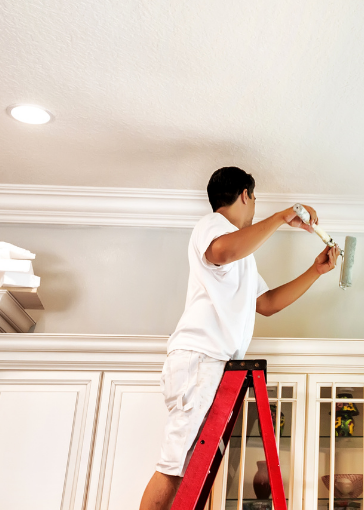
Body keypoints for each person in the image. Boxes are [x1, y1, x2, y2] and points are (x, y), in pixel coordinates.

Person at [140, 166, 339, 510]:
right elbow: (223, 252)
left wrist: (316, 271)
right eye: (255, 199)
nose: (255, 206)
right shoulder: (213, 225)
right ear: (245, 194)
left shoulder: (243, 259)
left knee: (188, 471)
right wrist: (281, 216)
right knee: (173, 468)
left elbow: (267, 304)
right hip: (199, 357)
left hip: (211, 362)